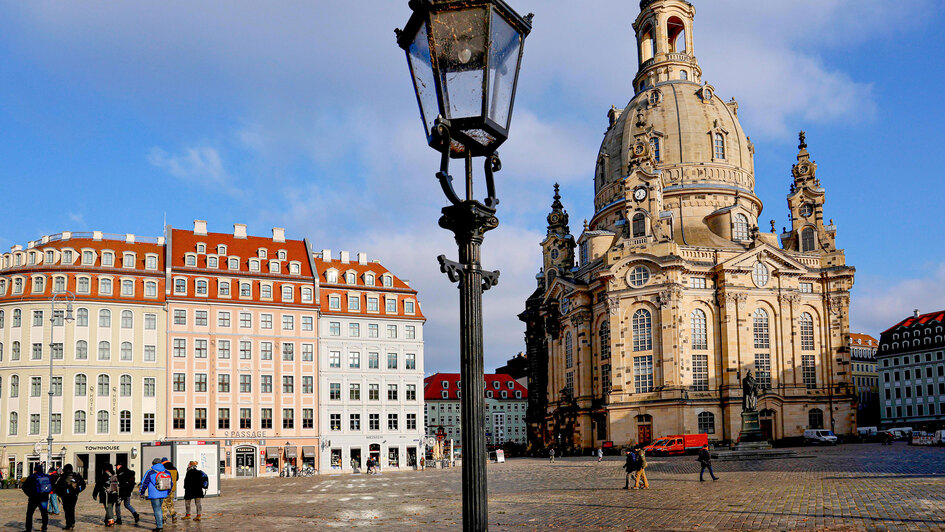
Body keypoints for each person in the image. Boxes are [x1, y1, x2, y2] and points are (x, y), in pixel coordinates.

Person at [140, 457, 172, 532]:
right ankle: (160, 524)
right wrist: (168, 492)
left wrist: (142, 492)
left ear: (153, 464)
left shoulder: (150, 472)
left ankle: (159, 527)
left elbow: (144, 483)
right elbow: (171, 483)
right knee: (159, 509)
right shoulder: (167, 472)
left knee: (157, 509)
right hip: (163, 493)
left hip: (154, 494)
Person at [54, 463, 86, 531]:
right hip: (74, 496)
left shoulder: (63, 477)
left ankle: (68, 524)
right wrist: (78, 491)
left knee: (67, 510)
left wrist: (59, 494)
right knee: (72, 509)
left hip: (65, 496)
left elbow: (57, 486)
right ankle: (72, 523)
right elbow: (83, 484)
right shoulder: (76, 476)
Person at [22, 463, 52, 532]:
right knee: (44, 513)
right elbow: (52, 485)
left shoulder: (32, 477)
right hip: (44, 498)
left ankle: (28, 529)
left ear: (35, 470)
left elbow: (24, 487)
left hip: (33, 498)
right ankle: (44, 527)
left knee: (30, 514)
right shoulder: (47, 476)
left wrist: (29, 494)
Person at [161, 458, 179, 523]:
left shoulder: (163, 469)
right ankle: (173, 514)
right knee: (170, 502)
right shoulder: (174, 469)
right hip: (172, 489)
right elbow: (177, 478)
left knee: (163, 504)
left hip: (164, 489)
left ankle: (164, 518)